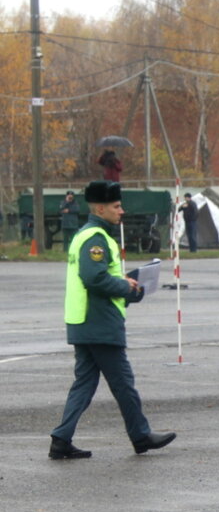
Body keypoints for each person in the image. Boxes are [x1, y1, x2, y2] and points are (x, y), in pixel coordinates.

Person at [48, 180, 176, 459]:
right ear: (101, 208)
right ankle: (141, 435)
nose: (122, 211)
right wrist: (125, 287)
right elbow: (94, 278)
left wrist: (128, 287)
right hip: (98, 322)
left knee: (84, 384)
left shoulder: (88, 235)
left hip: (83, 321)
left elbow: (101, 276)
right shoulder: (96, 237)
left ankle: (60, 439)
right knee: (123, 383)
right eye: (117, 206)